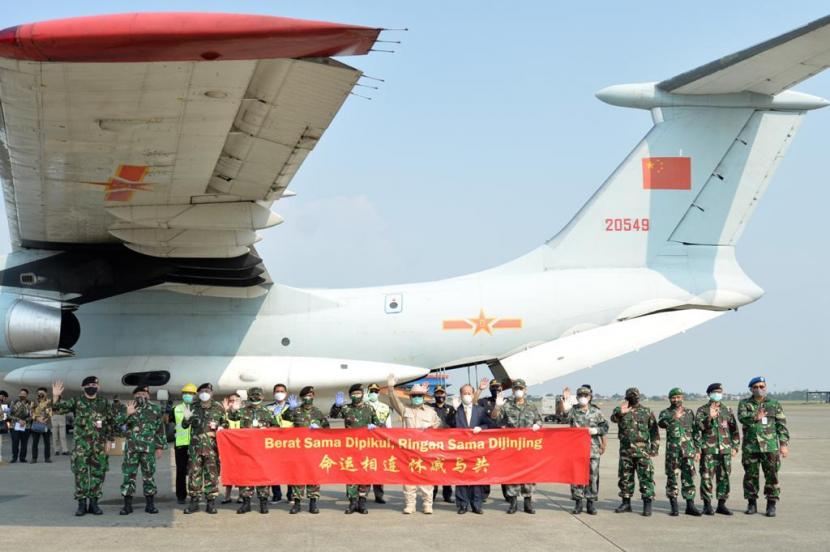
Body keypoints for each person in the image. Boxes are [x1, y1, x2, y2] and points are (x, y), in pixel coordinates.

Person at [52, 377, 120, 515]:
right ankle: (82, 504)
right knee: (80, 474)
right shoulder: (77, 401)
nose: (92, 387)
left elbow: (111, 422)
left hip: (99, 446)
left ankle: (94, 504)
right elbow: (58, 409)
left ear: (98, 387)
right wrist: (55, 396)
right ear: (83, 387)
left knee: (98, 474)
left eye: (94, 384)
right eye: (89, 385)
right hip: (81, 446)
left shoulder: (103, 402)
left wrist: (109, 441)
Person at [387, 374, 442, 514]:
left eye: (419, 395)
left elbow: (440, 430)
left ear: (424, 397)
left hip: (425, 450)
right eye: (414, 395)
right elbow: (393, 401)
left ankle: (427, 504)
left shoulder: (431, 412)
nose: (417, 397)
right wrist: (391, 387)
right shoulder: (405, 409)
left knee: (426, 479)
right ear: (410, 397)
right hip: (409, 451)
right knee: (408, 479)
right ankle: (410, 504)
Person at [738, 376, 790, 517]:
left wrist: (783, 444)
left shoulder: (774, 403)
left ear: (765, 387)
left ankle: (771, 504)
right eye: (756, 387)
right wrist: (755, 416)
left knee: (772, 475)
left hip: (770, 446)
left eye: (762, 386)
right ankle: (751, 503)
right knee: (750, 476)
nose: (759, 389)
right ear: (751, 389)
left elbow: (781, 425)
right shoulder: (744, 403)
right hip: (751, 447)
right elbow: (742, 418)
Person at [490, 378, 543, 514]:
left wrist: (537, 425)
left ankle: (527, 503)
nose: (518, 391)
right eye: (516, 389)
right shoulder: (507, 406)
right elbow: (496, 419)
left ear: (525, 390)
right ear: (513, 391)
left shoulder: (531, 406)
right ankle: (513, 503)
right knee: (512, 475)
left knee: (529, 476)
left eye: (521, 388)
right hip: (512, 447)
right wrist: (497, 406)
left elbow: (539, 420)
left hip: (528, 447)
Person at [330, 383, 380, 514]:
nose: (356, 396)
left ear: (362, 394)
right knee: (351, 473)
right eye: (353, 394)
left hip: (365, 447)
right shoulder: (346, 408)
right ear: (350, 396)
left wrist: (374, 427)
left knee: (364, 473)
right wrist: (336, 405)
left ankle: (362, 502)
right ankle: (352, 502)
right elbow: (333, 415)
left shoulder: (369, 408)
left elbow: (379, 424)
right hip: (350, 447)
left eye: (358, 393)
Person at [227, 387, 277, 514]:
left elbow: (276, 429)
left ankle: (263, 503)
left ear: (262, 397)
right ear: (249, 397)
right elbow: (231, 419)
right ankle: (246, 503)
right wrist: (233, 409)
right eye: (253, 396)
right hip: (246, 450)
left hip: (262, 452)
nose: (255, 398)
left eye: (257, 396)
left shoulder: (267, 412)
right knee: (246, 476)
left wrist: (268, 430)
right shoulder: (242, 411)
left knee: (262, 477)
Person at [610, 387, 659, 516]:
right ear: (626, 398)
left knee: (646, 478)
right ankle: (626, 503)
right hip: (626, 451)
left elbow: (654, 431)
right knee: (625, 478)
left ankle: (647, 504)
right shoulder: (620, 410)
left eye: (634, 396)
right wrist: (621, 412)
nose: (632, 398)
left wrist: (654, 448)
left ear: (638, 397)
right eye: (630, 396)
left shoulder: (647, 411)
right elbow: (613, 419)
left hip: (643, 452)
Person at [181, 383, 228, 514]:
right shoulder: (192, 407)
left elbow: (225, 425)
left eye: (207, 391)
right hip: (195, 449)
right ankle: (194, 502)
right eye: (201, 391)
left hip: (212, 448)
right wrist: (186, 418)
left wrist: (220, 426)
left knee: (211, 475)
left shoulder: (218, 408)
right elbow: (184, 426)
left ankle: (210, 502)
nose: (204, 393)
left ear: (212, 393)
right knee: (193, 474)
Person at [119, 385, 166, 515]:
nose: (141, 396)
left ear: (148, 395)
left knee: (149, 476)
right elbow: (118, 425)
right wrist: (127, 414)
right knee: (129, 476)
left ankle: (150, 505)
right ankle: (127, 505)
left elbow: (160, 429)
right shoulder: (127, 407)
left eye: (144, 393)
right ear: (134, 396)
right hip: (132, 449)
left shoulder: (155, 409)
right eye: (138, 393)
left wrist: (159, 447)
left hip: (148, 449)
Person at [695, 383, 740, 516]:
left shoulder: (727, 410)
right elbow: (698, 430)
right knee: (706, 477)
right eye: (715, 392)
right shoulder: (702, 410)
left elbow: (734, 430)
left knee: (724, 477)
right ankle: (707, 505)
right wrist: (710, 418)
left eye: (720, 392)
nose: (718, 394)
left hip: (725, 450)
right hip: (708, 450)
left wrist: (735, 446)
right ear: (709, 394)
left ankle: (722, 504)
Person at [657, 388, 701, 516]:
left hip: (688, 450)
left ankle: (690, 505)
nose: (676, 400)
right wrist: (673, 417)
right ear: (669, 399)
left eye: (678, 397)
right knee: (672, 479)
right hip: (673, 452)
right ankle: (674, 506)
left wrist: (697, 449)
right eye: (673, 397)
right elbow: (661, 423)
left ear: (682, 397)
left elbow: (695, 431)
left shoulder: (689, 412)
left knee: (689, 478)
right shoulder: (665, 412)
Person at [567, 386, 609, 515]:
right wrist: (565, 400)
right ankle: (578, 503)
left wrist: (597, 432)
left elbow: (605, 426)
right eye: (580, 396)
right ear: (577, 397)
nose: (583, 398)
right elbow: (562, 416)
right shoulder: (573, 411)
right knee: (577, 476)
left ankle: (591, 503)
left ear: (590, 397)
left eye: (585, 396)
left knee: (592, 477)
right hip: (577, 449)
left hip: (593, 449)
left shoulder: (596, 412)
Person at [290, 385, 330, 514]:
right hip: (298, 450)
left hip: (314, 451)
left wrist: (318, 427)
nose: (308, 398)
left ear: (313, 397)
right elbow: (284, 419)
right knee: (298, 477)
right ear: (302, 398)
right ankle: (297, 504)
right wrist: (289, 408)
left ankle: (313, 503)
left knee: (313, 476)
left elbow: (327, 430)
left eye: (310, 395)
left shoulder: (318, 412)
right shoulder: (295, 411)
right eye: (306, 396)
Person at [453, 383, 492, 514]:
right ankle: (462, 504)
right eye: (465, 393)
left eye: (469, 393)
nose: (467, 395)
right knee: (461, 477)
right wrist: (453, 412)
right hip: (460, 449)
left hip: (476, 449)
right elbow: (448, 426)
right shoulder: (456, 410)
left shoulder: (479, 410)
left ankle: (476, 504)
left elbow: (489, 424)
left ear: (473, 394)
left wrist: (482, 428)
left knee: (476, 477)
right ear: (461, 395)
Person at [477, 378, 506, 502]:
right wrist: (479, 390)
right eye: (493, 387)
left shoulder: (507, 402)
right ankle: (484, 494)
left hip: (503, 440)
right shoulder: (485, 401)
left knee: (504, 468)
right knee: (485, 467)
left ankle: (508, 495)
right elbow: (473, 403)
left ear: (502, 389)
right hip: (487, 440)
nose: (495, 389)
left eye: (498, 387)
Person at [266, 383, 294, 504]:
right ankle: (276, 495)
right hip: (274, 444)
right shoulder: (268, 408)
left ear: (286, 393)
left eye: (282, 391)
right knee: (274, 469)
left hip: (290, 443)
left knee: (291, 470)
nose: (279, 393)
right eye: (277, 391)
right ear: (273, 393)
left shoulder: (292, 407)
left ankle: (291, 495)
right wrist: (273, 416)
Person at [366, 382, 392, 504]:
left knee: (378, 468)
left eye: (376, 391)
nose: (374, 393)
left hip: (380, 443)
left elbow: (389, 426)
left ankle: (379, 495)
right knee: (365, 467)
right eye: (371, 391)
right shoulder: (363, 406)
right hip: (365, 443)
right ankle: (363, 494)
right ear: (367, 392)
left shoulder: (385, 407)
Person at [430, 385, 455, 504]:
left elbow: (456, 424)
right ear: (434, 395)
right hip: (432, 443)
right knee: (434, 469)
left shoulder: (451, 408)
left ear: (445, 395)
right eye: (437, 394)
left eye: (442, 394)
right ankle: (432, 494)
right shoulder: (429, 408)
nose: (440, 396)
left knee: (447, 469)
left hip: (447, 443)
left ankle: (447, 495)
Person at [173, 383, 197, 505]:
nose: (188, 395)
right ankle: (181, 496)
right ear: (182, 395)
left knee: (195, 471)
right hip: (181, 444)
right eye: (186, 393)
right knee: (181, 471)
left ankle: (195, 494)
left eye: (191, 393)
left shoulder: (198, 409)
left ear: (195, 395)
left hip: (195, 444)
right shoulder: (176, 409)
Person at [221, 392, 242, 506]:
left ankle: (240, 495)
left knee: (241, 472)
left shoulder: (243, 414)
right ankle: (227, 496)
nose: (233, 403)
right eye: (231, 401)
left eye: (235, 400)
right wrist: (224, 412)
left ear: (240, 402)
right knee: (228, 472)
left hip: (241, 448)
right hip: (228, 448)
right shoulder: (224, 414)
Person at [30, 387, 53, 464]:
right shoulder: (34, 401)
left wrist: (45, 419)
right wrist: (37, 418)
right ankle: (34, 458)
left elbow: (51, 412)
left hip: (46, 424)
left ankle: (47, 458)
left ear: (46, 393)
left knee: (47, 443)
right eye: (39, 392)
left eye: (42, 392)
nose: (40, 394)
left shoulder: (49, 402)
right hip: (36, 424)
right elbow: (31, 412)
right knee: (35, 443)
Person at [9, 387, 32, 463]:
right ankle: (14, 457)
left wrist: (25, 421)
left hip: (26, 425)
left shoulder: (30, 403)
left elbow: (32, 415)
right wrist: (19, 420)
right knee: (15, 442)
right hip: (15, 425)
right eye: (21, 393)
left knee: (24, 443)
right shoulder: (14, 402)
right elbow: (9, 415)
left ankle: (22, 458)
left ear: (27, 395)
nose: (22, 395)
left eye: (24, 394)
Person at [0, 390, 10, 463]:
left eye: (5, 398)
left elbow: (4, 416)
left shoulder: (3, 405)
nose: (4, 399)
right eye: (4, 397)